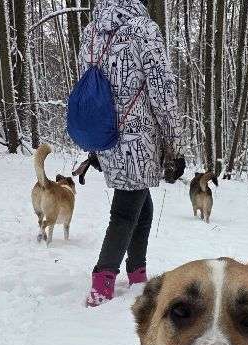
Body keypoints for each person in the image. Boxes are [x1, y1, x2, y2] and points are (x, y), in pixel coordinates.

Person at [77, 0, 181, 307]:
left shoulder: (91, 31)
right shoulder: (145, 30)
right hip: (138, 136)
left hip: (106, 133)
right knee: (125, 209)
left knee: (140, 199)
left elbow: (89, 87)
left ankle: (137, 272)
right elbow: (162, 90)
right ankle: (102, 280)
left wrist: (95, 146)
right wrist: (173, 143)